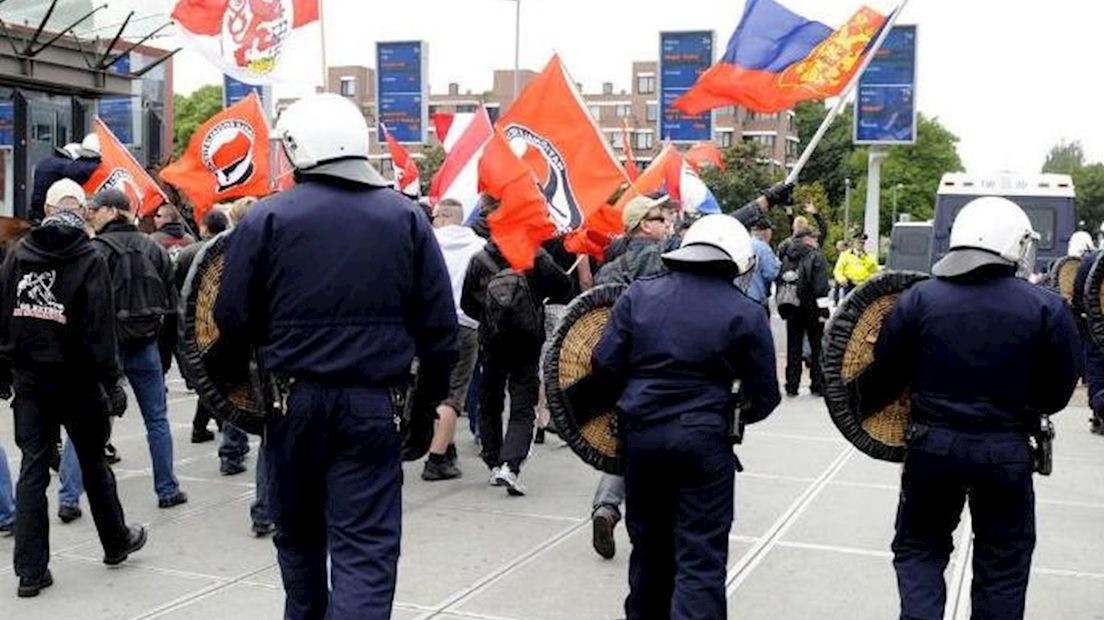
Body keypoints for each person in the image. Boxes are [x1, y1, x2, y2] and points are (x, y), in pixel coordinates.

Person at [214, 93, 458, 619]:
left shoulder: (267, 217)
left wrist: (241, 394)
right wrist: (425, 411)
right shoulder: (407, 218)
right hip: (373, 407)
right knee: (366, 552)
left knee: (299, 537)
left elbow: (230, 319)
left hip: (292, 405)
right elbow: (440, 331)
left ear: (300, 147)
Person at [864, 196, 1080, 620]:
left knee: (920, 550)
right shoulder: (1046, 307)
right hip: (1006, 451)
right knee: (1002, 565)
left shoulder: (918, 299)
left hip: (931, 447)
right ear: (1012, 244)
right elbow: (1057, 393)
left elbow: (887, 371)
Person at [592, 214, 781, 619]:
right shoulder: (745, 311)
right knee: (701, 556)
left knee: (649, 551)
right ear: (735, 260)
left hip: (641, 438)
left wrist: (629, 403)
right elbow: (765, 395)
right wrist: (732, 413)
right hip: (704, 443)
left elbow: (604, 362)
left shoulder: (639, 296)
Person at [0, 209, 147, 597]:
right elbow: (100, 328)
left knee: (32, 469)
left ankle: (30, 571)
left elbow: (2, 313)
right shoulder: (89, 259)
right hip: (78, 381)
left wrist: (3, 368)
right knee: (94, 463)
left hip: (31, 380)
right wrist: (111, 380)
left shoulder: (18, 255)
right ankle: (115, 542)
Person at [59, 188, 187, 513]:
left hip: (105, 348)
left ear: (113, 211)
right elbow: (172, 302)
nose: (90, 212)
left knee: (85, 420)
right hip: (146, 343)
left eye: (95, 208)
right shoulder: (153, 247)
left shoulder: (94, 251)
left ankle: (69, 498)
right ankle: (167, 488)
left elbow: (77, 303)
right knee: (157, 418)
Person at [461, 207, 571, 496]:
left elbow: (467, 302)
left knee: (490, 400)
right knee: (523, 403)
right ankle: (511, 464)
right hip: (527, 339)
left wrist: (489, 318)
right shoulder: (534, 255)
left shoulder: (480, 259)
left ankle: (493, 460)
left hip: (492, 340)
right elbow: (564, 285)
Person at [589, 194, 673, 560]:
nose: (666, 222)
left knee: (626, 438)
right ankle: (657, 523)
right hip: (658, 362)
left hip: (617, 366)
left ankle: (607, 506)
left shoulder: (609, 267)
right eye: (659, 217)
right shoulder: (662, 259)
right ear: (643, 224)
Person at [420, 198, 486, 481]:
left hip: (430, 322)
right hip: (466, 323)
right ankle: (436, 458)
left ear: (440, 216)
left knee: (434, 388)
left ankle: (445, 449)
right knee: (454, 392)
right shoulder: (478, 247)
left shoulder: (427, 242)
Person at [174, 208, 231, 443]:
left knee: (208, 376)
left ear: (204, 228)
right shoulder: (230, 250)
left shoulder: (189, 253)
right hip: (219, 321)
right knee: (216, 377)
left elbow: (177, 286)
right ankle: (211, 425)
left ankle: (208, 424)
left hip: (194, 322)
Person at [778, 229, 830, 396]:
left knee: (793, 347)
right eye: (814, 237)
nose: (817, 240)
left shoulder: (787, 255)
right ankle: (817, 384)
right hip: (812, 308)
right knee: (816, 348)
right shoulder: (817, 256)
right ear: (807, 239)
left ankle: (792, 385)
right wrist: (824, 310)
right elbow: (821, 286)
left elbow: (780, 279)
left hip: (792, 306)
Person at [28, 134, 100, 223]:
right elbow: (82, 170)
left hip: (37, 207)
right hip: (46, 210)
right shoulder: (62, 165)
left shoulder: (48, 161)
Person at [1070, 248, 1104, 434]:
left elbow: (1078, 295)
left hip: (1095, 323)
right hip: (1096, 321)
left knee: (1097, 367)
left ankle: (1099, 412)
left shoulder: (1090, 261)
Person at [740, 218, 782, 311]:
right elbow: (771, 274)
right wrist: (778, 264)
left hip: (738, 297)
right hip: (756, 299)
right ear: (765, 232)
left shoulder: (740, 244)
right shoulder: (762, 248)